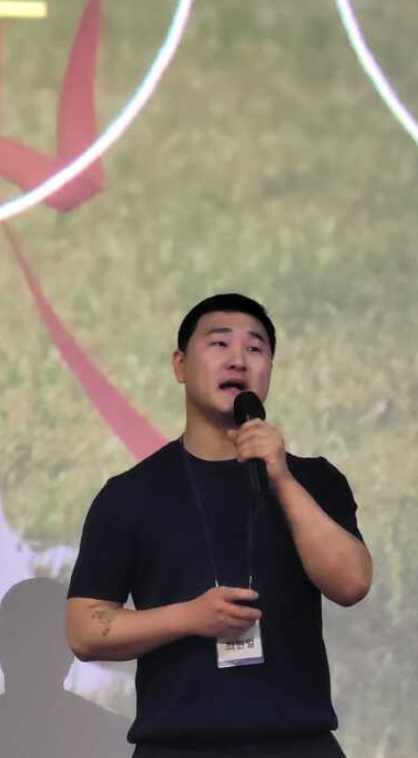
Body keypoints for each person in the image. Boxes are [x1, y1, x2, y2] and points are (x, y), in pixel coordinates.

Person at [67, 293, 373, 758]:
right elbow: (85, 632)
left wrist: (281, 478)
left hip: (298, 743)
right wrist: (190, 618)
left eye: (255, 348)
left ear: (269, 369)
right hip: (177, 746)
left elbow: (351, 583)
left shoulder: (313, 480)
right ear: (180, 365)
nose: (238, 360)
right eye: (219, 344)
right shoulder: (130, 494)